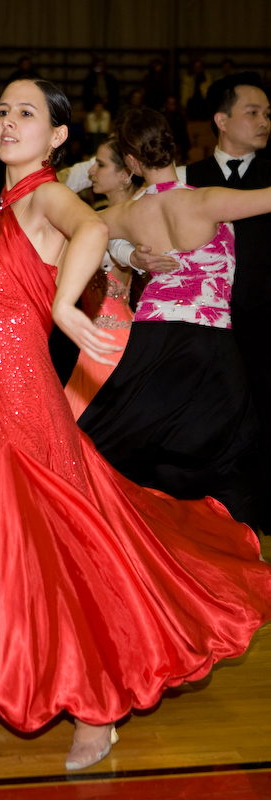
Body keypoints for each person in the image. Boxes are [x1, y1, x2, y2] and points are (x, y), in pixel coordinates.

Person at [0, 78, 271, 773]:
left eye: (26, 113)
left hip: (19, 396)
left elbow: (93, 229)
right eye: (2, 112)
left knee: (59, 544)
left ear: (58, 136)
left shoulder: (45, 196)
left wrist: (67, 304)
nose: (8, 122)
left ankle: (96, 706)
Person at [66, 107, 271, 532]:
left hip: (152, 341)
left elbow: (70, 228)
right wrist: (126, 253)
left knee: (111, 441)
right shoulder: (207, 199)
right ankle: (218, 544)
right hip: (209, 343)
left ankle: (76, 519)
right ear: (172, 145)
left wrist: (126, 251)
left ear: (132, 162)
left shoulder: (123, 215)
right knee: (229, 452)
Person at [177, 72, 271, 536]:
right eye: (253, 112)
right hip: (205, 325)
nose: (264, 121)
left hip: (267, 323)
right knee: (207, 418)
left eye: (268, 114)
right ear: (221, 119)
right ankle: (210, 516)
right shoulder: (185, 179)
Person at [64, 137, 139, 419]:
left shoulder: (139, 216)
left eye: (100, 165)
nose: (91, 171)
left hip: (113, 342)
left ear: (125, 174)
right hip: (91, 339)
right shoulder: (94, 218)